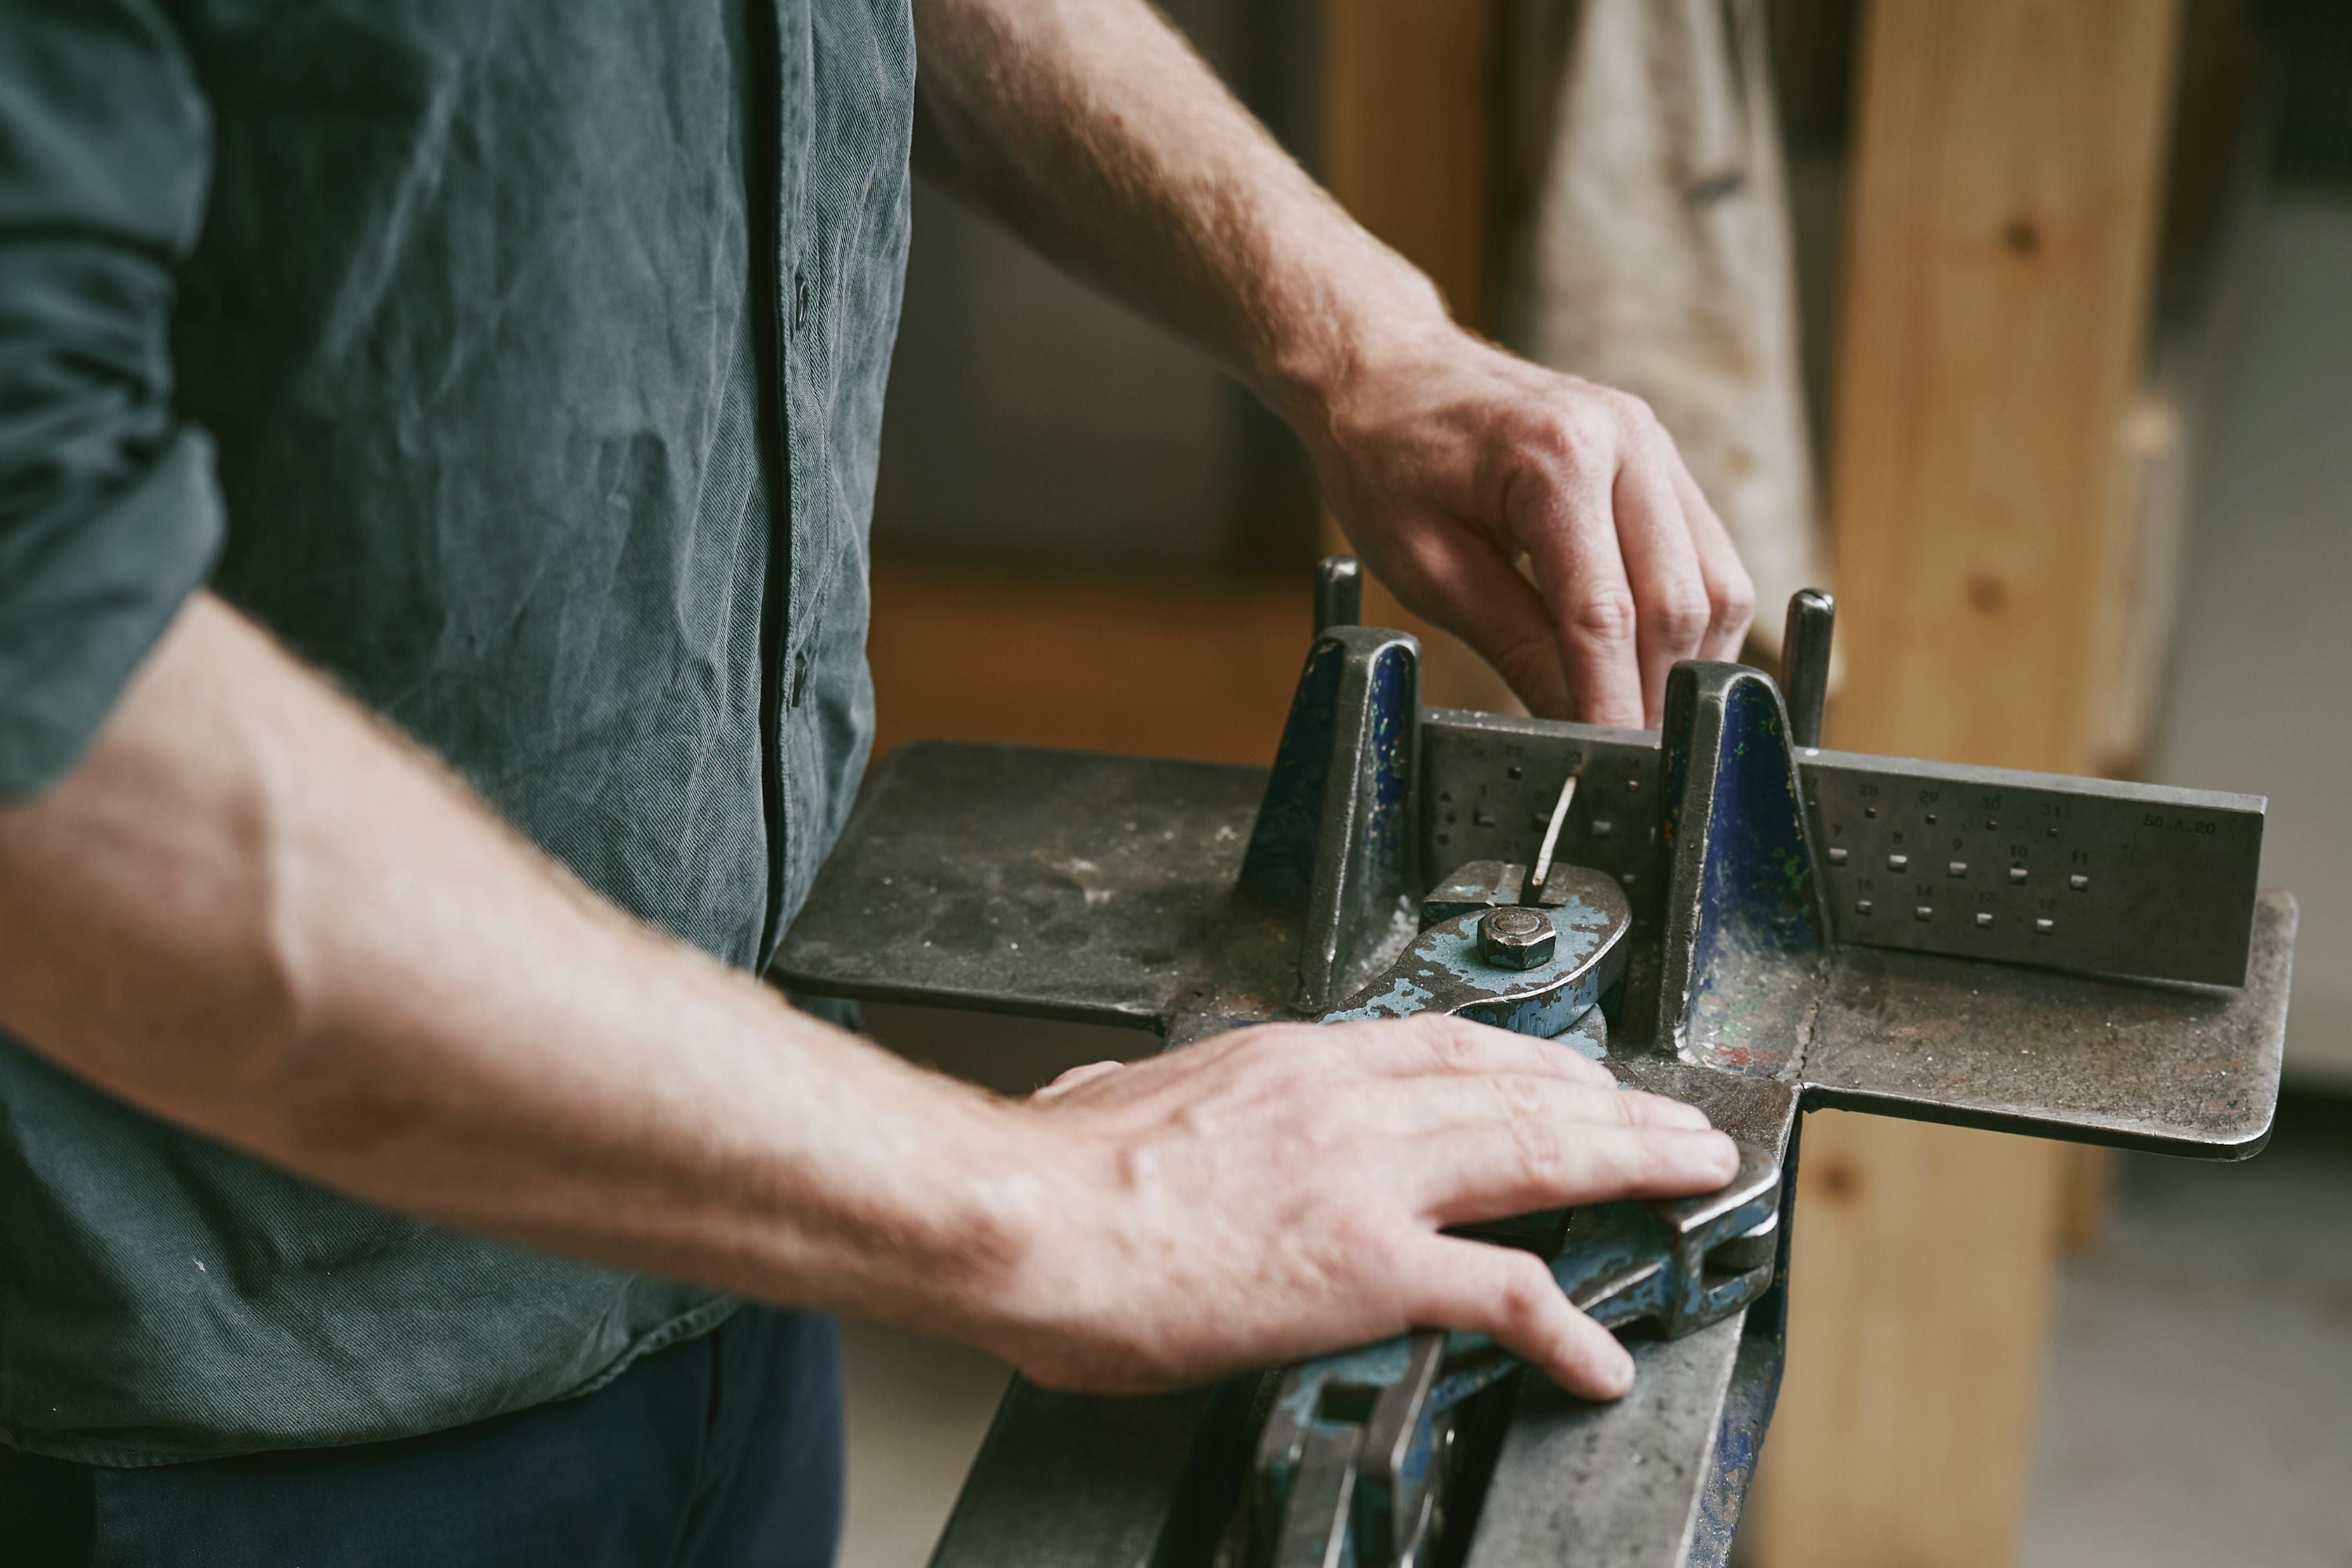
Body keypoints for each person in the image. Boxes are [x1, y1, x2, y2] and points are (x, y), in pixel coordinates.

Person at [0, 1, 1756, 1562]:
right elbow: (39, 673)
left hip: (745, 1211)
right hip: (217, 1376)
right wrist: (1046, 1204)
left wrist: (1360, 332)